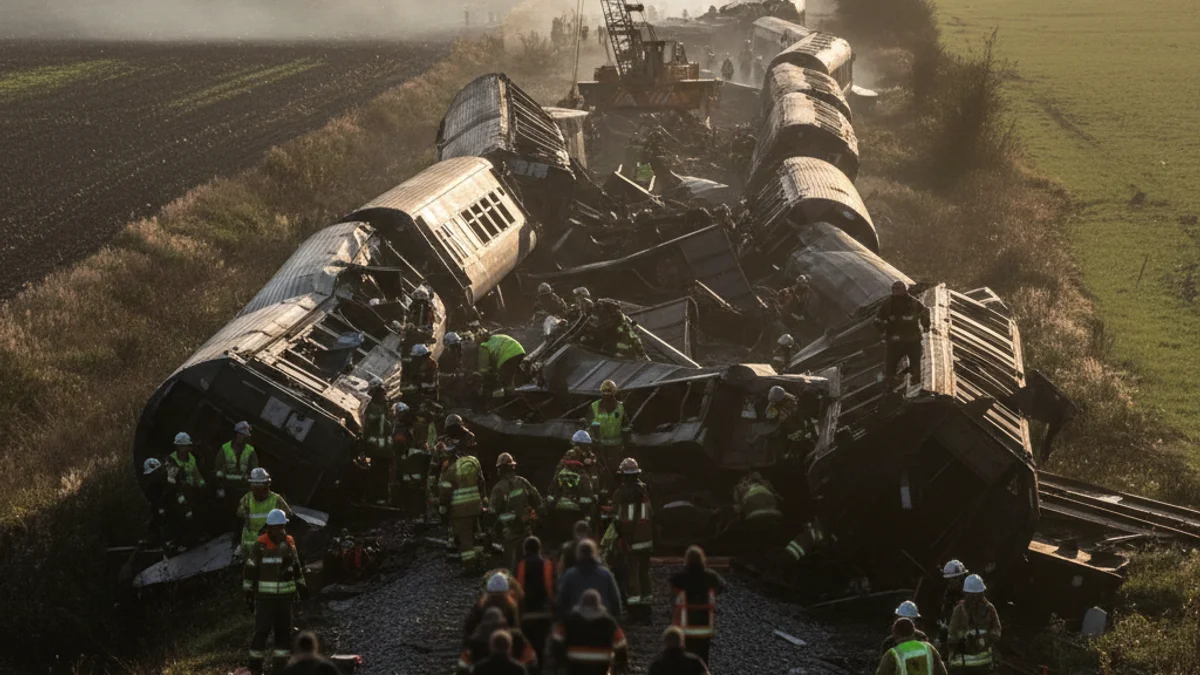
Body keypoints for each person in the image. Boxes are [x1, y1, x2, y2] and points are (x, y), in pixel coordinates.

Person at [243, 509, 308, 675]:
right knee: (261, 632)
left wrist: (301, 586)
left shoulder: (289, 543)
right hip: (266, 599)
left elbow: (296, 566)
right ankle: (255, 667)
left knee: (283, 633)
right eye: (277, 527)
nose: (281, 530)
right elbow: (250, 569)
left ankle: (281, 667)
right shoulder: (260, 546)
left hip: (286, 598)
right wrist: (248, 593)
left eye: (282, 526)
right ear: (270, 528)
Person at [440, 420, 487, 570]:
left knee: (464, 537)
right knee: (476, 532)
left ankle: (469, 565)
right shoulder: (473, 462)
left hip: (459, 508)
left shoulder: (451, 470)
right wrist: (483, 500)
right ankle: (480, 559)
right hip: (475, 504)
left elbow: (445, 490)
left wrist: (443, 507)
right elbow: (481, 482)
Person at [669, 546, 725, 665]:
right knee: (703, 655)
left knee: (687, 653)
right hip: (705, 625)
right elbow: (722, 586)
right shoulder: (711, 576)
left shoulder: (681, 577)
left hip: (687, 624)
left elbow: (672, 581)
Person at [551, 589, 628, 675]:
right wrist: (621, 664)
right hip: (601, 666)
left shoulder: (569, 619)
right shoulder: (608, 621)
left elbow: (556, 640)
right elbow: (621, 644)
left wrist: (561, 662)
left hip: (575, 665)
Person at [612, 457, 653, 609]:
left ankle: (635, 606)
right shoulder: (644, 490)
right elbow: (651, 513)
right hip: (646, 540)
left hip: (631, 540)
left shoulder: (621, 493)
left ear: (623, 475)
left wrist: (621, 536)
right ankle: (647, 602)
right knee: (644, 572)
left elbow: (618, 518)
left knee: (632, 572)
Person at [492, 453, 545, 571]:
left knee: (511, 567)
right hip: (525, 530)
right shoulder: (523, 482)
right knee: (529, 564)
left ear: (501, 469)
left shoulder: (498, 488)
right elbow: (538, 501)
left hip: (509, 534)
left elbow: (492, 513)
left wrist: (494, 532)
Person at [874, 281, 932, 389]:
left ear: (904, 290)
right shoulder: (888, 304)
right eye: (894, 288)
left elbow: (924, 312)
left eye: (899, 288)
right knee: (890, 366)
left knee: (916, 364)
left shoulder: (913, 303)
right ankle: (890, 388)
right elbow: (878, 318)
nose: (896, 291)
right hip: (894, 341)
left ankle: (917, 386)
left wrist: (926, 325)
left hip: (912, 340)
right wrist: (881, 328)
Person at [557, 539, 623, 622]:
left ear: (578, 554)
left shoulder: (570, 575)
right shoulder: (605, 574)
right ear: (594, 553)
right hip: (602, 621)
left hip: (577, 622)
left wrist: (563, 622)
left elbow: (561, 602)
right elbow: (615, 600)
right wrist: (616, 621)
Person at [946, 575, 1000, 673]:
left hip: (970, 665)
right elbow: (997, 632)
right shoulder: (960, 610)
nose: (974, 598)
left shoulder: (988, 608)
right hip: (971, 664)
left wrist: (984, 640)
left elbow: (951, 635)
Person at [517, 536, 556, 667]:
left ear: (525, 549)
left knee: (529, 642)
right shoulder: (547, 564)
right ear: (539, 549)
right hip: (544, 612)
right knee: (542, 643)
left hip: (527, 612)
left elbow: (520, 588)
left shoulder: (522, 565)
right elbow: (549, 587)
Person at [236, 468, 293, 557]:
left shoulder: (276, 499)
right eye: (255, 487)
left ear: (267, 485)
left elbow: (288, 515)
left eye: (260, 487)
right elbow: (240, 516)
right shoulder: (247, 499)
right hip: (249, 545)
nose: (257, 490)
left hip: (269, 544)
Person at [546, 445, 595, 550]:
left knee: (561, 538)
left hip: (560, 511)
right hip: (575, 513)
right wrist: (586, 511)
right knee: (574, 539)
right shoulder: (583, 475)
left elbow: (551, 493)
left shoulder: (560, 473)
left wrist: (553, 507)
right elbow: (587, 496)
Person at [582, 299, 649, 361]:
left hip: (618, 341)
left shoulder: (620, 324)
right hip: (610, 341)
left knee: (629, 338)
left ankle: (640, 356)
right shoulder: (598, 316)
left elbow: (630, 337)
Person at [876, 618, 948, 675]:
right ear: (914, 632)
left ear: (894, 634)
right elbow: (942, 672)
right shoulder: (929, 648)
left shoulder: (892, 654)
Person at [464, 573, 523, 642]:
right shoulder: (511, 607)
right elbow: (516, 626)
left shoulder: (480, 606)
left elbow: (468, 629)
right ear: (506, 593)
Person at [361, 380, 394, 503]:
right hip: (382, 448)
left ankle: (376, 496)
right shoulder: (381, 408)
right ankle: (379, 496)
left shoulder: (375, 408)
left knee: (378, 473)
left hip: (379, 448)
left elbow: (369, 427)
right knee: (380, 473)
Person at [214, 421, 258, 501]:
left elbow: (254, 469)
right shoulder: (225, 448)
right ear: (236, 434)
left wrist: (249, 477)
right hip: (227, 484)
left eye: (244, 436)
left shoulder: (250, 451)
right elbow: (218, 466)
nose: (242, 437)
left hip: (242, 486)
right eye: (241, 434)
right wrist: (220, 476)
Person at [478, 333, 527, 399]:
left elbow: (484, 366)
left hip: (508, 356)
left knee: (506, 379)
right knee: (511, 371)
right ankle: (520, 385)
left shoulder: (484, 346)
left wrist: (483, 374)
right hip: (519, 351)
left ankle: (511, 397)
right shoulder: (496, 337)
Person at [587, 380, 627, 460]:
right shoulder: (594, 406)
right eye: (604, 391)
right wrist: (593, 440)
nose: (606, 393)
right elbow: (588, 425)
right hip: (599, 447)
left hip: (616, 447)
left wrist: (626, 441)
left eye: (608, 391)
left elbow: (626, 425)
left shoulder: (621, 407)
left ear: (614, 392)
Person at [937, 560, 969, 651]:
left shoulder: (971, 592)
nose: (951, 582)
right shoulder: (949, 594)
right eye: (949, 580)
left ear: (961, 577)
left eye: (954, 579)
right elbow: (946, 614)